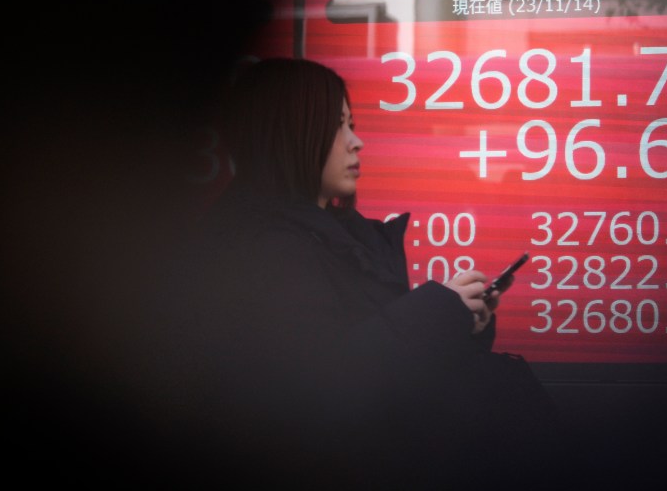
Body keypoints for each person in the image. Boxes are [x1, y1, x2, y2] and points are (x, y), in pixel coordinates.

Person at [169, 57, 558, 488]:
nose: (357, 143)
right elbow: (324, 387)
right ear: (290, 133)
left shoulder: (326, 235)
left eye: (352, 124)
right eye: (339, 126)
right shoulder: (263, 250)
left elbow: (382, 360)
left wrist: (461, 322)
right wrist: (437, 310)